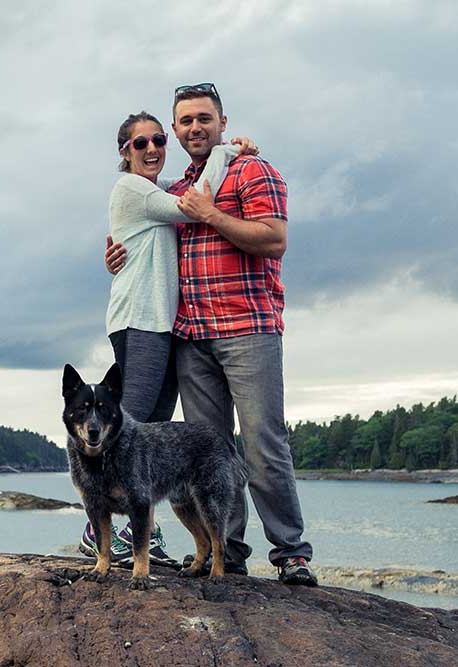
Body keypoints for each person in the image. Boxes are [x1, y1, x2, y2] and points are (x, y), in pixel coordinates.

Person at [105, 83, 317, 586]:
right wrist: (114, 257)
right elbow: (142, 236)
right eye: (184, 122)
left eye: (204, 118)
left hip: (248, 327)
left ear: (222, 122)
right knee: (211, 454)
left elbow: (275, 239)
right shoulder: (174, 190)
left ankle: (290, 552)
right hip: (191, 336)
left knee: (264, 444)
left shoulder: (252, 170)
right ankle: (231, 551)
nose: (193, 128)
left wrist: (214, 214)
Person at [79, 109, 258, 570]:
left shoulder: (151, 193)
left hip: (160, 322)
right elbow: (197, 202)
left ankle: (140, 530)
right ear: (125, 152)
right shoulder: (132, 188)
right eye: (141, 143)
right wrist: (226, 151)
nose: (153, 148)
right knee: (130, 426)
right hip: (141, 320)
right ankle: (95, 531)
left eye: (159, 139)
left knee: (150, 427)